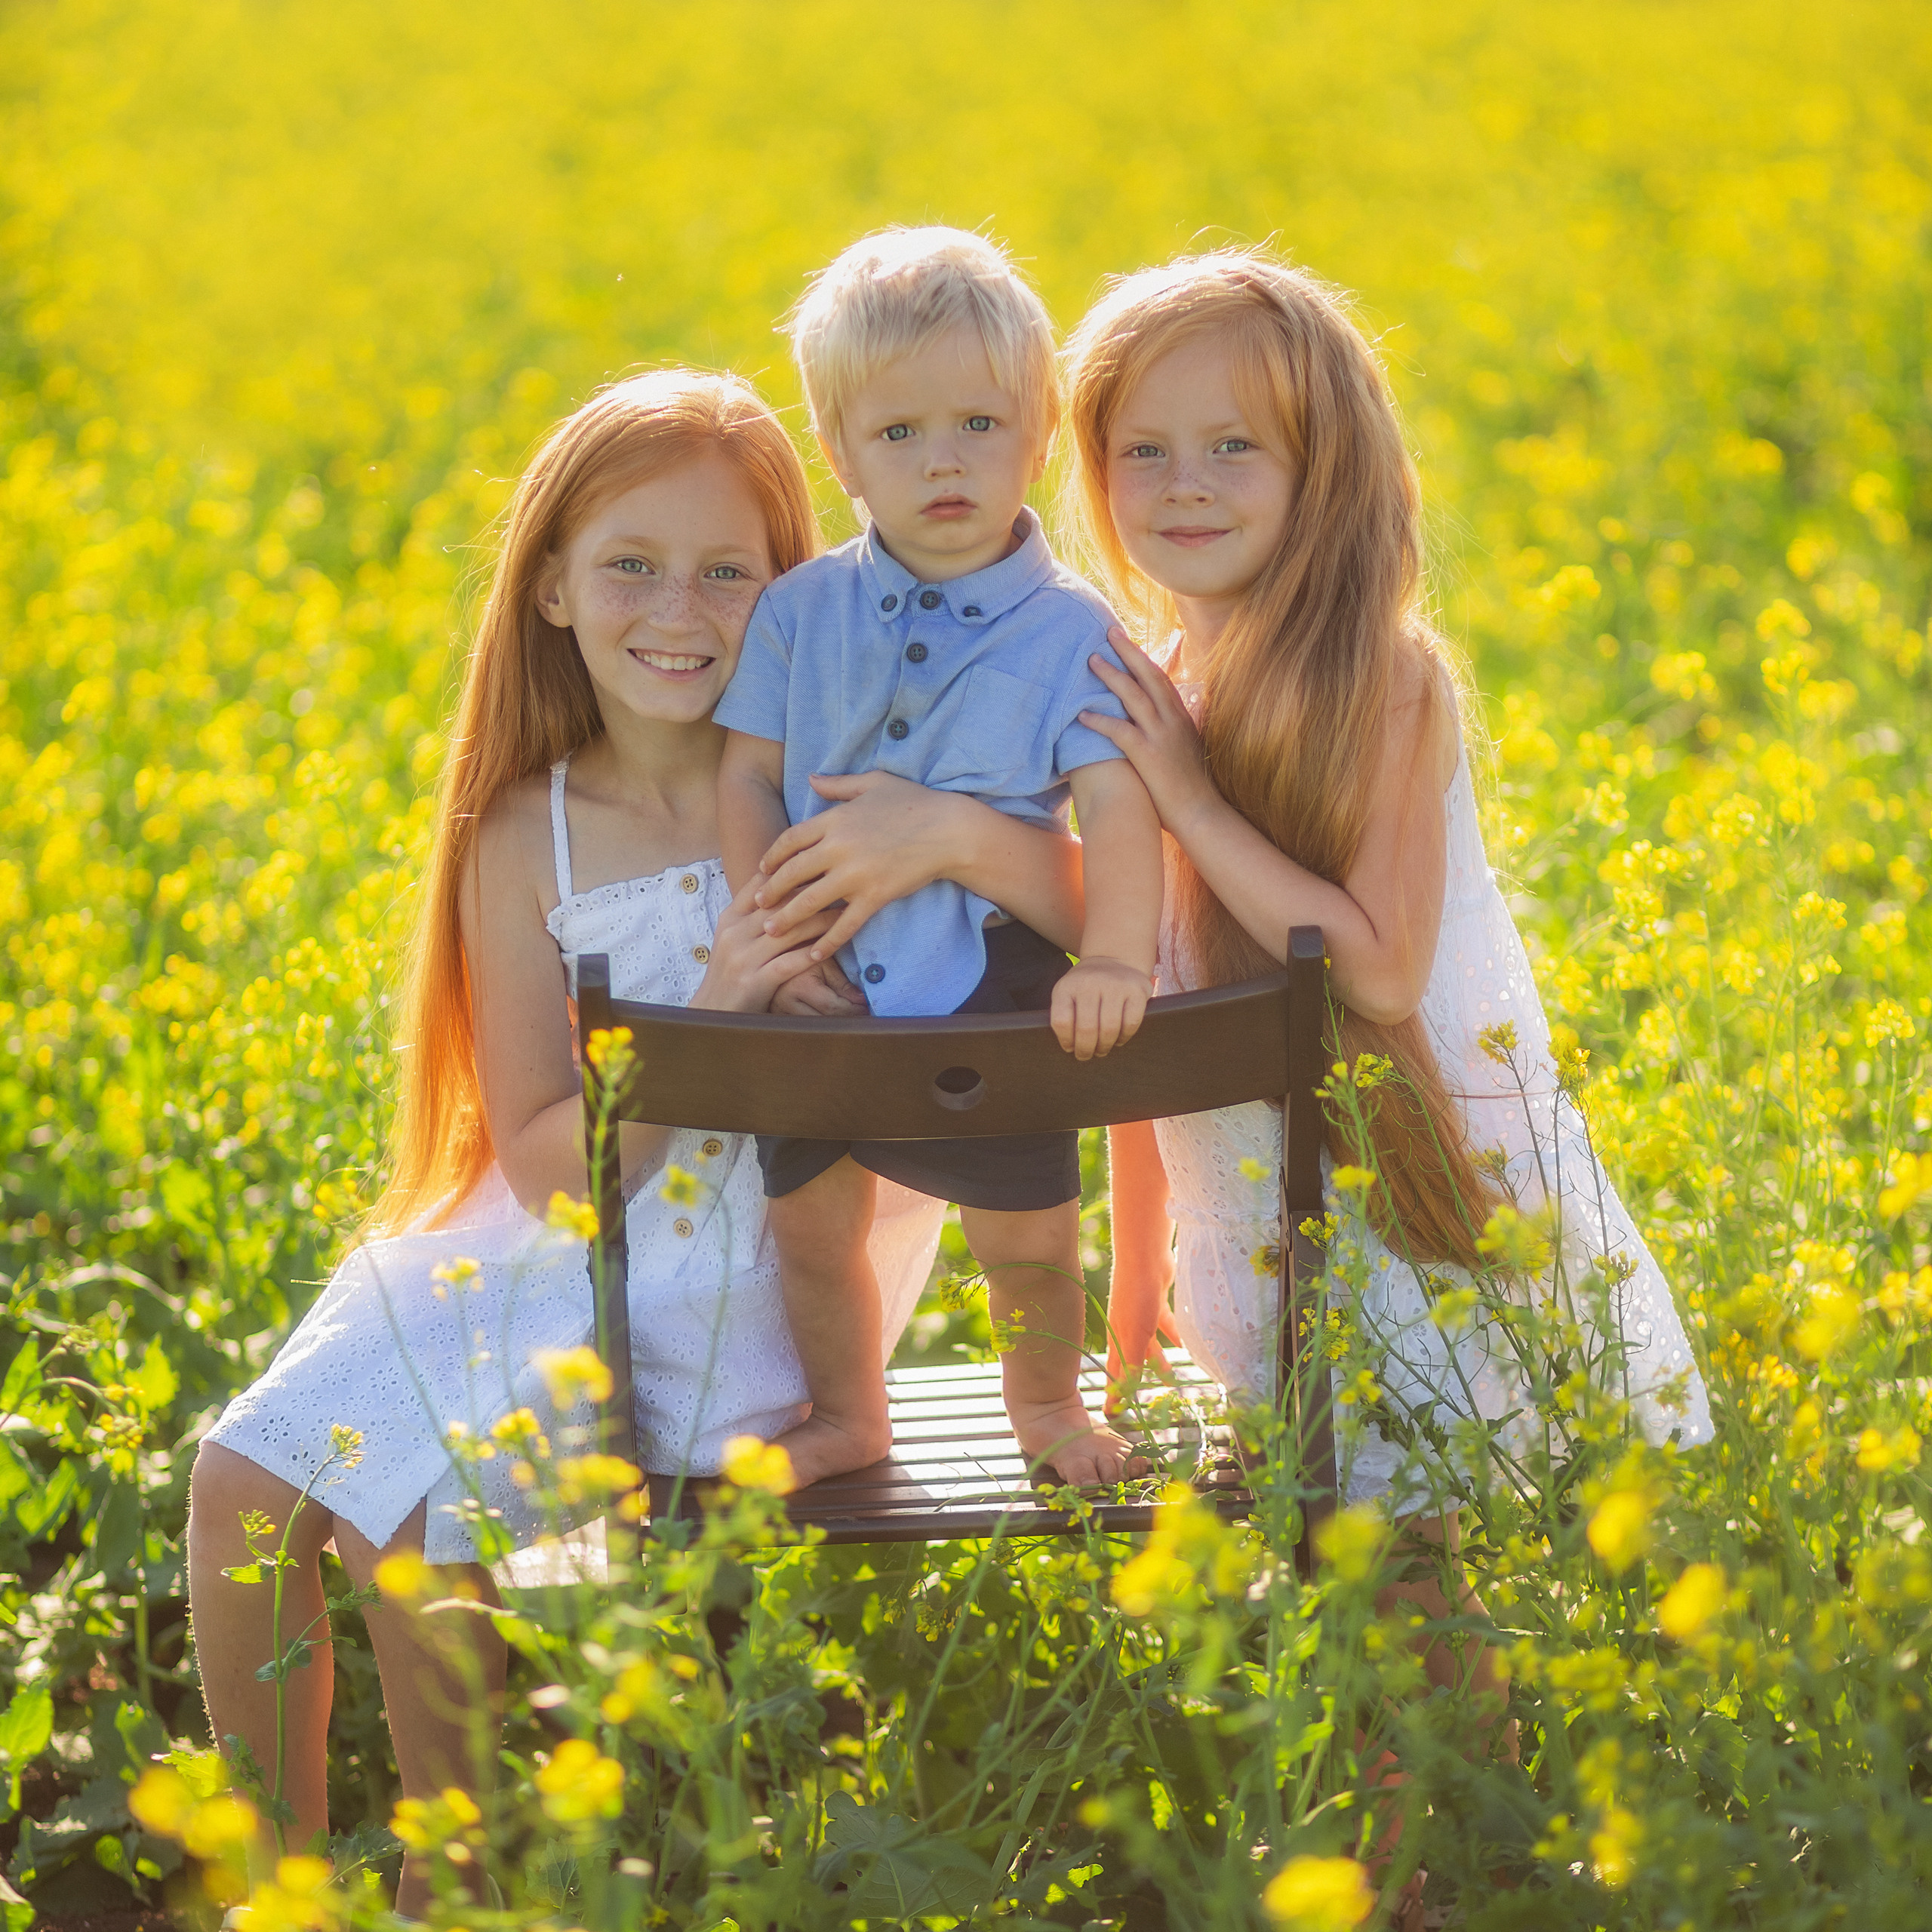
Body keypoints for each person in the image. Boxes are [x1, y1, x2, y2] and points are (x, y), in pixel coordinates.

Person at [186, 369, 1093, 1911]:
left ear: (794, 592)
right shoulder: (520, 825)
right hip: (559, 1219)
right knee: (238, 1478)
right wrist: (712, 1014)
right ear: (547, 585)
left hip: (751, 1255)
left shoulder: (842, 788)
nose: (678, 608)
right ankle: (270, 1879)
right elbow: (546, 1162)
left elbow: (1079, 929)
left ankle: (453, 1872)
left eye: (726, 570)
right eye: (628, 563)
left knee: (411, 1499)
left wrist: (931, 857)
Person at [1063, 249, 1713, 1749]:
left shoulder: (1378, 675)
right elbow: (1147, 987)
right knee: (1342, 1567)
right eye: (1140, 449)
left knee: (1403, 1573)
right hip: (1259, 1207)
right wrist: (1136, 1251)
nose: (1183, 482)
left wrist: (1179, 792)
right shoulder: (1163, 672)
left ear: (1324, 469)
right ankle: (1403, 1843)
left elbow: (1369, 965)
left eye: (1235, 445)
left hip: (1409, 1195)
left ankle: (1428, 1857)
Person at [715, 228, 1164, 1488]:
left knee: (1026, 1234)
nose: (944, 459)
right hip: (824, 971)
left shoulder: (1074, 627)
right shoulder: (800, 609)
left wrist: (1115, 955)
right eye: (899, 434)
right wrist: (775, 936)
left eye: (978, 422)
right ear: (841, 451)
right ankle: (851, 1415)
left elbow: (1118, 806)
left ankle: (1050, 1416)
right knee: (808, 1226)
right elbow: (745, 777)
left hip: (991, 971)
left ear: (1037, 434)